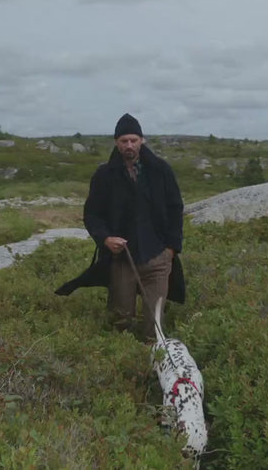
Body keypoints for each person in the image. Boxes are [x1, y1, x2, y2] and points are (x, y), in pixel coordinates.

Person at [54, 113, 185, 338]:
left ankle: (153, 354)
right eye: (124, 141)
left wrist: (171, 249)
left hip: (158, 258)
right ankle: (122, 356)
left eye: (133, 140)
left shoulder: (161, 170)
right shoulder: (104, 175)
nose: (129, 145)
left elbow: (175, 209)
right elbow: (92, 214)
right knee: (120, 319)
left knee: (155, 322)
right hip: (122, 259)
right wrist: (105, 239)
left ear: (142, 140)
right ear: (116, 142)